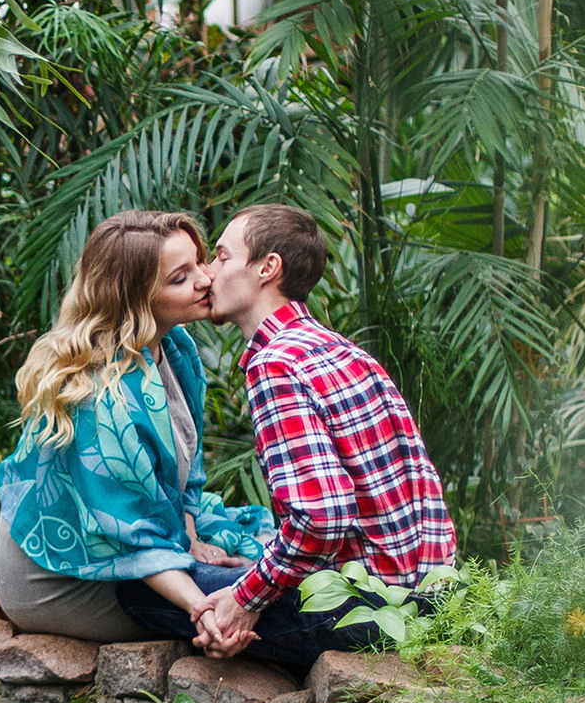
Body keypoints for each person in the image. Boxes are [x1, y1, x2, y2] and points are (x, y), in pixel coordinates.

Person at [186, 204, 457, 673]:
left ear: (267, 268)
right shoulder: (340, 349)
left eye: (223, 257)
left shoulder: (276, 365)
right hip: (427, 598)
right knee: (235, 562)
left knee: (144, 591)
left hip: (362, 613)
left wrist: (247, 598)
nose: (209, 273)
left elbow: (322, 518)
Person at [0, 210, 275, 643]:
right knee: (260, 601)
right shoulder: (102, 399)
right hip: (62, 581)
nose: (205, 279)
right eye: (180, 278)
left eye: (200, 263)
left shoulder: (175, 349)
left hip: (140, 538)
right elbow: (131, 532)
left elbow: (183, 479)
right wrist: (200, 609)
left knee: (263, 549)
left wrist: (190, 536)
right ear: (135, 298)